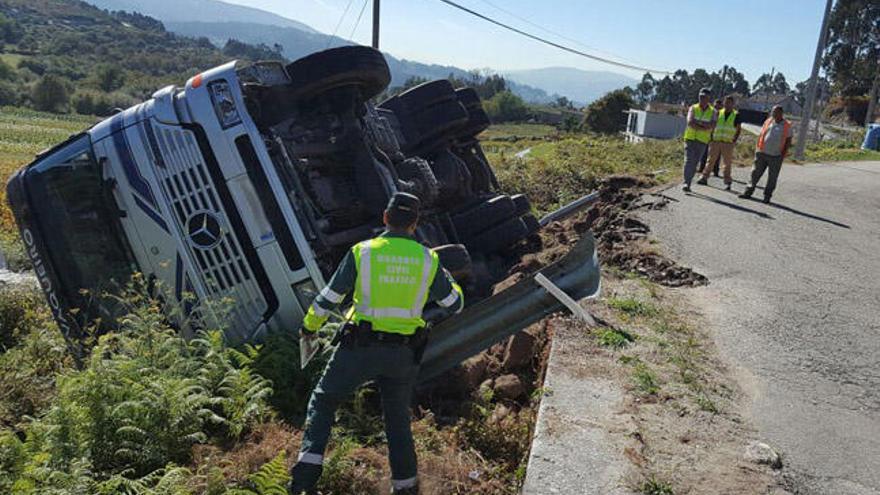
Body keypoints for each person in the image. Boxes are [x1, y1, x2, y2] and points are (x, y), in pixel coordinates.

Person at [289, 192, 464, 495]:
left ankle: (303, 482)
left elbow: (329, 299)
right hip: (403, 355)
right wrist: (448, 277)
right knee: (397, 421)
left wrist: (309, 327)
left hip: (359, 348)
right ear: (415, 223)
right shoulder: (427, 259)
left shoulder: (363, 252)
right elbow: (454, 304)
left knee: (324, 400)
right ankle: (406, 487)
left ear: (385, 218)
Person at [739, 105, 792, 203]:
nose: (773, 114)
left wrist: (783, 153)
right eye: (772, 112)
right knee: (755, 173)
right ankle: (748, 192)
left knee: (772, 177)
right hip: (762, 153)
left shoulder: (786, 125)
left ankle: (767, 196)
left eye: (775, 112)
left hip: (776, 155)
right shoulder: (768, 121)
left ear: (781, 113)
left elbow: (788, 140)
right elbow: (761, 134)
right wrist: (758, 149)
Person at [697, 95, 742, 190]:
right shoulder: (718, 113)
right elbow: (713, 125)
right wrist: (711, 137)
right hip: (716, 141)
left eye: (729, 102)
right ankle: (704, 177)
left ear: (733, 104)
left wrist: (734, 140)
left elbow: (738, 129)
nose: (727, 104)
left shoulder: (736, 115)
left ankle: (727, 182)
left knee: (727, 163)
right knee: (710, 161)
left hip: (728, 143)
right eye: (726, 102)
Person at [681, 88, 716, 192]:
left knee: (695, 163)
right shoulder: (693, 108)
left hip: (702, 141)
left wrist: (698, 123)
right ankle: (686, 183)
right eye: (700, 97)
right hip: (690, 138)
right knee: (688, 161)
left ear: (708, 98)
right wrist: (704, 126)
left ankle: (688, 181)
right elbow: (690, 122)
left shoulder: (712, 111)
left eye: (704, 97)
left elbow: (713, 125)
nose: (702, 99)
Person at [698, 98, 724, 176]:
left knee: (716, 155)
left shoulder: (723, 115)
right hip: (708, 135)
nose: (717, 108)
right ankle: (702, 168)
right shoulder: (710, 113)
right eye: (716, 106)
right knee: (704, 152)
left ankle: (715, 170)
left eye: (719, 107)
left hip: (717, 136)